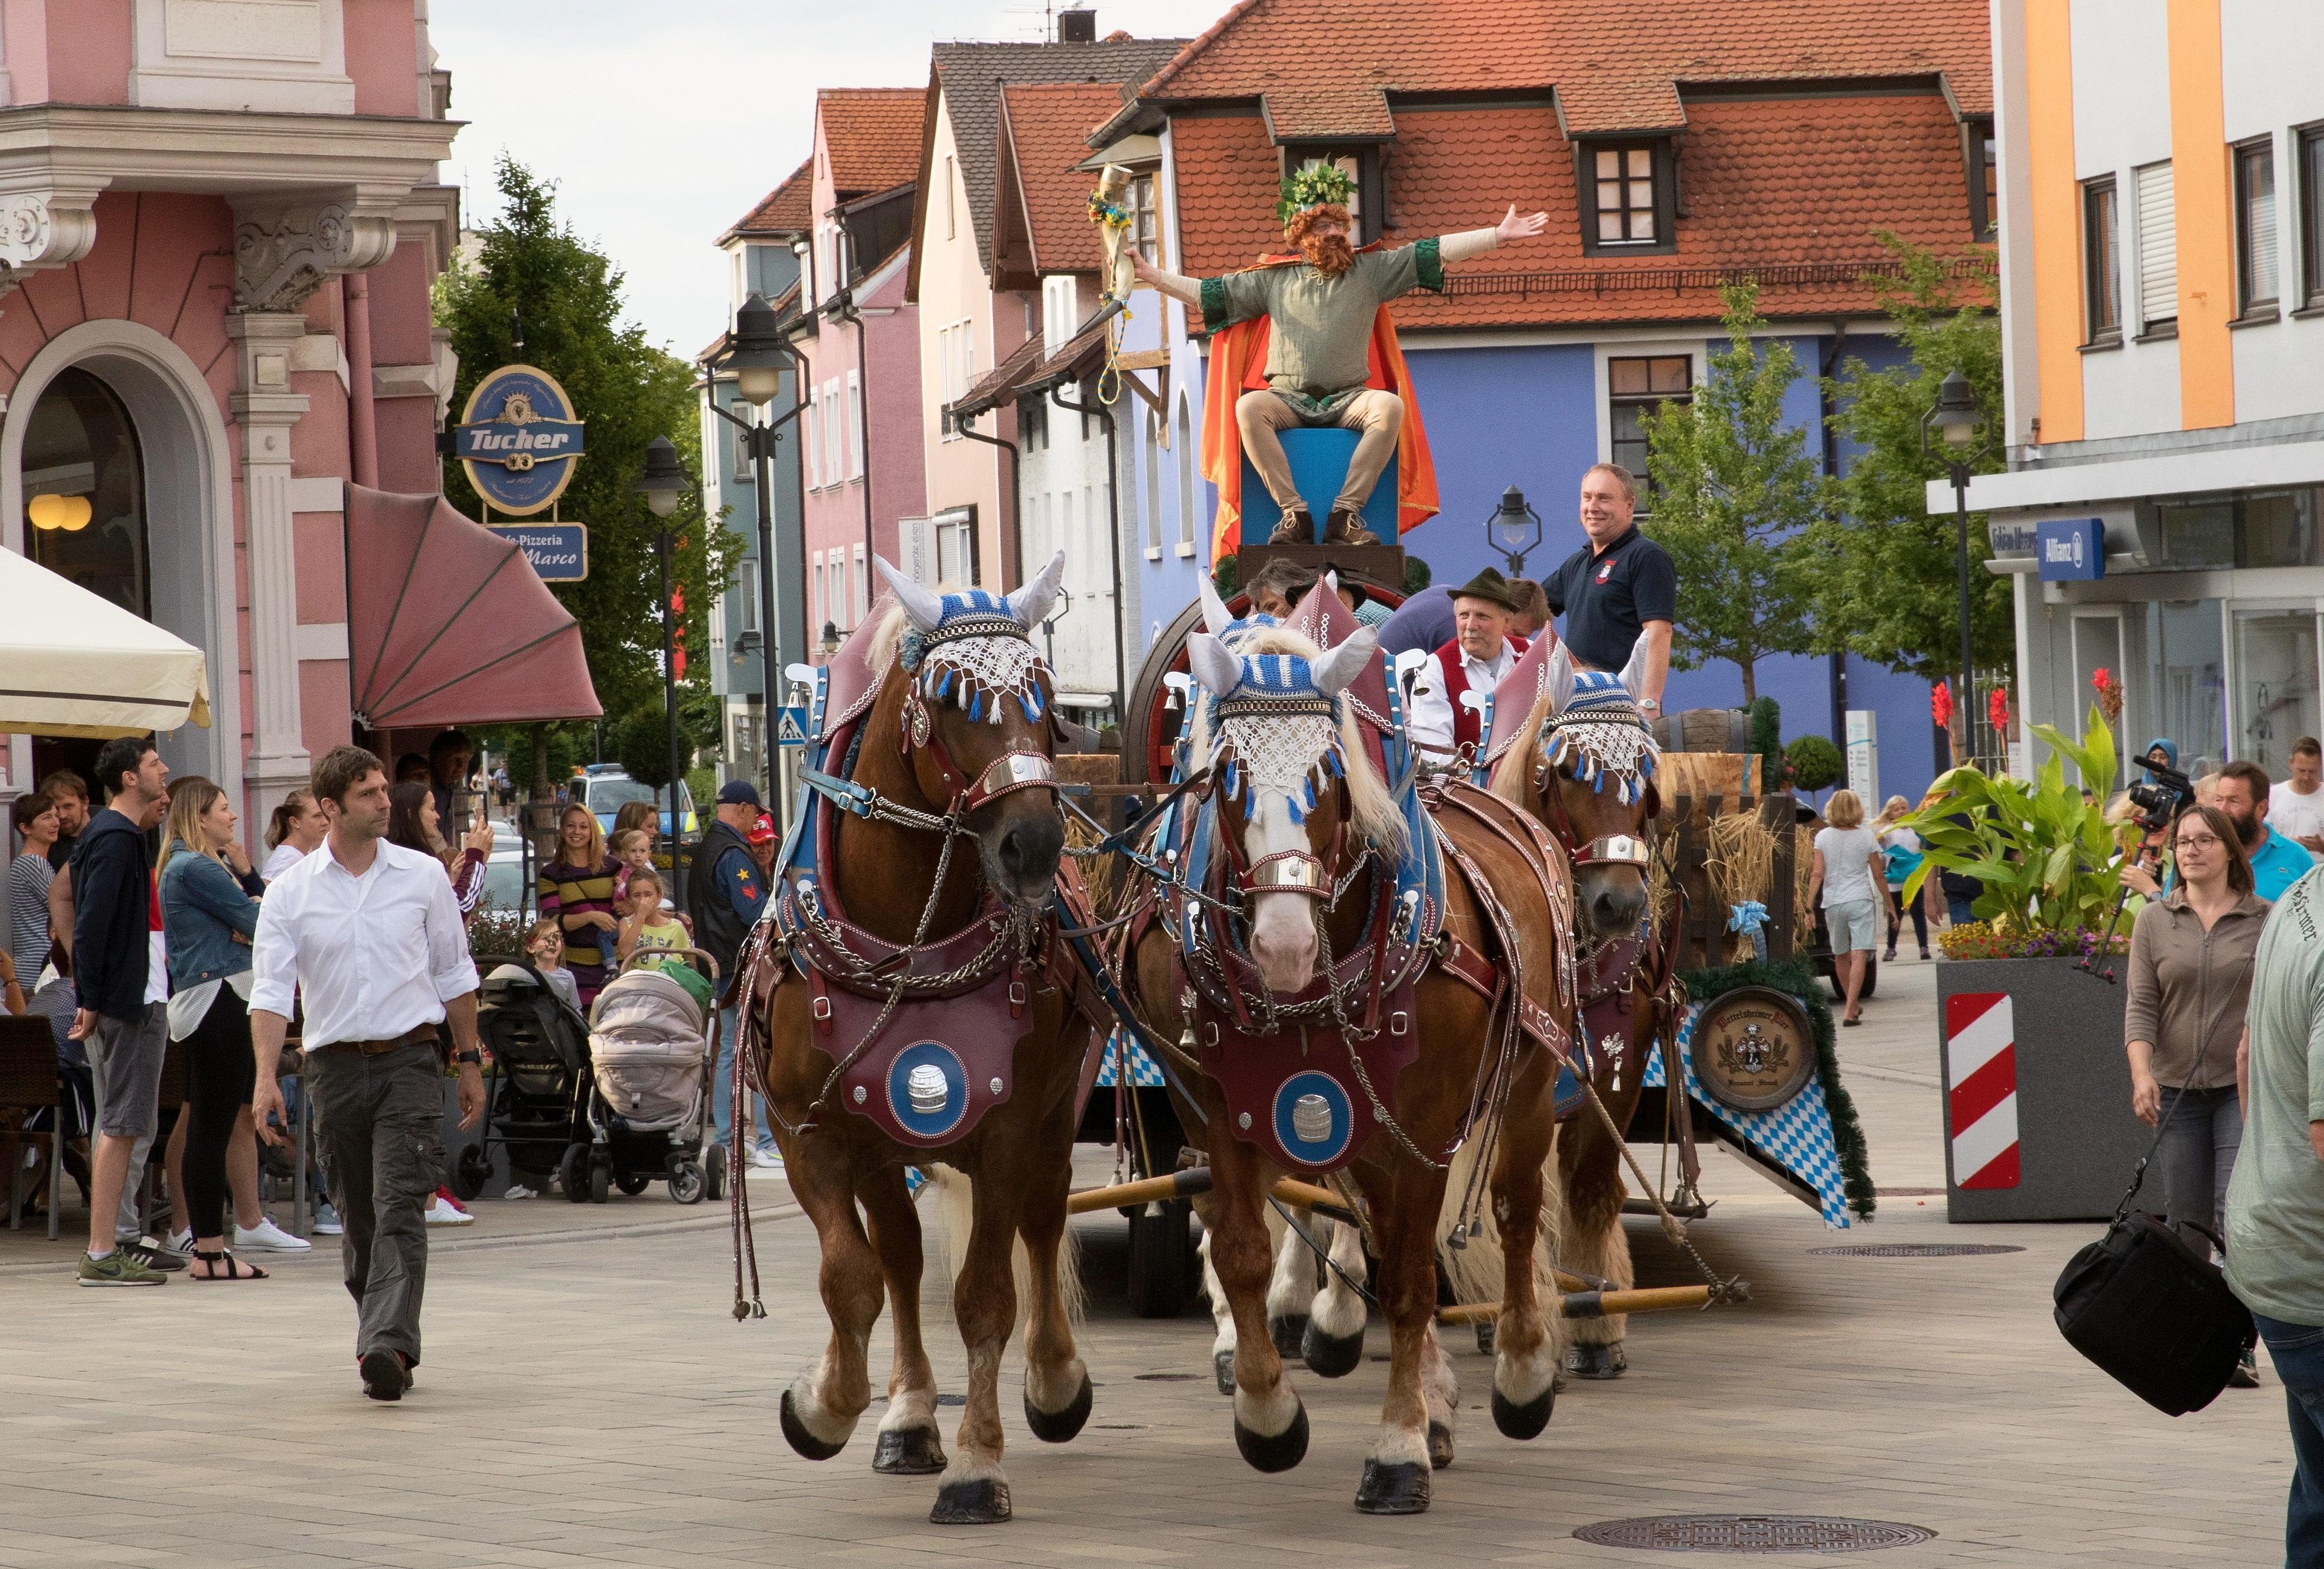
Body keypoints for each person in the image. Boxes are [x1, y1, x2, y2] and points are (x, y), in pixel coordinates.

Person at [1134, 164, 1548, 544]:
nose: (1335, 233)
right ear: (1300, 238)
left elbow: (1431, 252)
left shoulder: (1370, 272)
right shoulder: (1274, 281)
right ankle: (1294, 515)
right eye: (1322, 226)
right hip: (1288, 400)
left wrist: (1496, 235)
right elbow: (1207, 294)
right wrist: (1151, 276)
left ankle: (1345, 517)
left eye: (1339, 225)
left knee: (1387, 407)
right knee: (1248, 408)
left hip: (1350, 397)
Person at [250, 745, 485, 1401]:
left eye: (385, 790)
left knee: (401, 1202)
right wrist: (266, 1077)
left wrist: (469, 1062)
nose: (387, 801)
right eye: (369, 794)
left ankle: (385, 1344)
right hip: (331, 1068)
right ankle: (385, 1332)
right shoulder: (290, 892)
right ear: (330, 808)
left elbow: (454, 974)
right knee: (357, 1215)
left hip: (411, 1058)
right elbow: (270, 992)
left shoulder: (421, 876)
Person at [2123, 801, 2267, 1385]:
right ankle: (2191, 1341)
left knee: (2233, 1216)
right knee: (2184, 1227)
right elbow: (2141, 1005)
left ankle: (2238, 1343)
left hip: (2242, 1091)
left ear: (2231, 850)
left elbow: (2282, 1003)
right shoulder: (2155, 921)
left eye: (2205, 840)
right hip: (2177, 1089)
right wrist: (2141, 1074)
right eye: (2183, 842)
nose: (2190, 850)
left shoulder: (2265, 919)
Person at [2224, 856, 2324, 1560]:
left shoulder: (2298, 897)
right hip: (2313, 1273)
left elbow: (2245, 1058)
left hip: (2276, 1250)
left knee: (2320, 1494)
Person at [154, 777, 282, 1280]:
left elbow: (252, 920)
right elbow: (264, 924)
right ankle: (209, 1251)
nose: (233, 818)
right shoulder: (200, 867)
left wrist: (247, 911)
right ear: (200, 816)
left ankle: (208, 1247)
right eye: (225, 809)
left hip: (202, 1000)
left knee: (207, 1125)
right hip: (219, 999)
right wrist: (250, 915)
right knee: (214, 1126)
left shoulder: (183, 865)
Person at [68, 736, 181, 1286]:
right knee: (120, 1124)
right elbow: (91, 925)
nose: (165, 770)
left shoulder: (111, 834)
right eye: (155, 764)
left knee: (124, 1122)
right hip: (129, 999)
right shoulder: (117, 838)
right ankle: (102, 1249)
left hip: (126, 995)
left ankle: (112, 1244)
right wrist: (90, 999)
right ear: (131, 778)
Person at [686, 779, 774, 1167]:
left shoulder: (706, 848)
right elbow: (754, 914)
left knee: (728, 1054)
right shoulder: (735, 855)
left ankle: (725, 1139)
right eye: (755, 811)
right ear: (741, 807)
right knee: (759, 1050)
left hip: (717, 965)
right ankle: (768, 1142)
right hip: (741, 967)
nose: (757, 819)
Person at [1543, 463, 1674, 716]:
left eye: (1604, 498)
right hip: (1576, 707)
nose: (1592, 507)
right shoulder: (1577, 563)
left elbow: (1659, 632)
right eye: (1587, 497)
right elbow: (1530, 612)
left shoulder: (1646, 556)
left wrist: (1649, 702)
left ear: (1629, 505)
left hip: (1622, 709)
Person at [1405, 568, 1531, 762]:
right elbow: (1435, 753)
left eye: (1482, 616)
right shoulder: (1433, 669)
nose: (1471, 625)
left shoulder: (1532, 655)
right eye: (1464, 615)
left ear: (1506, 622)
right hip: (1466, 788)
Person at [1809, 789, 1884, 1027]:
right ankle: (1850, 1009)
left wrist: (1808, 904)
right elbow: (1878, 874)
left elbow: (1818, 873)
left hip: (1833, 902)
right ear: (1857, 810)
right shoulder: (1867, 836)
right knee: (1859, 952)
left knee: (1840, 954)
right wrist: (1890, 904)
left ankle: (1852, 1006)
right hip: (1860, 899)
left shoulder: (1822, 837)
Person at [537, 802, 621, 1005]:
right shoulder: (551, 874)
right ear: (562, 830)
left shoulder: (613, 867)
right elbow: (554, 921)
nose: (577, 832)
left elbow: (630, 903)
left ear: (592, 831)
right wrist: (591, 917)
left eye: (584, 827)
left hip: (614, 965)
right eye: (571, 826)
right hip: (574, 968)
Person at [387, 780, 490, 921]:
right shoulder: (413, 863)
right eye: (432, 809)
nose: (437, 816)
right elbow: (458, 909)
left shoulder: (394, 855)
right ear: (411, 814)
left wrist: (452, 883)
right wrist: (475, 855)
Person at [1872, 795, 1932, 962]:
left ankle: (1923, 947)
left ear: (1909, 809)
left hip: (1914, 879)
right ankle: (1891, 948)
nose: (1900, 812)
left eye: (1904, 808)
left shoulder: (1916, 830)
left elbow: (1923, 848)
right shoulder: (1890, 830)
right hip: (1896, 880)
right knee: (1894, 915)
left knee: (1918, 913)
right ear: (1890, 814)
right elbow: (1877, 841)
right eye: (1896, 809)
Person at [10, 789, 60, 985]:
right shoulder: (33, 863)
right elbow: (62, 907)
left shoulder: (28, 862)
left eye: (55, 816)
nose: (56, 822)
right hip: (39, 964)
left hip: (32, 964)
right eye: (47, 817)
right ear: (26, 828)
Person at [614, 869, 688, 967]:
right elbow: (625, 952)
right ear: (629, 899)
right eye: (637, 895)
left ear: (659, 896)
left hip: (666, 980)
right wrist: (640, 916)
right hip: (639, 981)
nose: (643, 900)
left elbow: (691, 962)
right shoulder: (627, 923)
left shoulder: (676, 927)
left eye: (648, 895)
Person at [2271, 737, 2324, 856]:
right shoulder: (2273, 795)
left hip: (2320, 870)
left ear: (2320, 765)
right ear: (2291, 763)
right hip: (2284, 869)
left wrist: (2321, 847)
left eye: (2312, 772)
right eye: (2301, 771)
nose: (2306, 777)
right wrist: (2288, 845)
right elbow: (2262, 840)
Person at [262, 789, 327, 881]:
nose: (325, 822)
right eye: (317, 816)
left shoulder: (302, 852)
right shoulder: (286, 860)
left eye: (325, 814)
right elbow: (266, 892)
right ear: (295, 822)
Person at [522, 918, 582, 1014]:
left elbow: (575, 1010)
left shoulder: (567, 977)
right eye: (546, 939)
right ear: (531, 948)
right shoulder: (524, 976)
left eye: (556, 938)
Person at [37, 768, 89, 872]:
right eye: (55, 808)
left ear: (85, 803)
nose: (62, 815)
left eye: (68, 806)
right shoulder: (50, 843)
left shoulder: (108, 821)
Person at [426, 727, 475, 828]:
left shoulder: (446, 789)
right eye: (454, 759)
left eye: (466, 758)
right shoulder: (427, 792)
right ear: (437, 760)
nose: (461, 765)